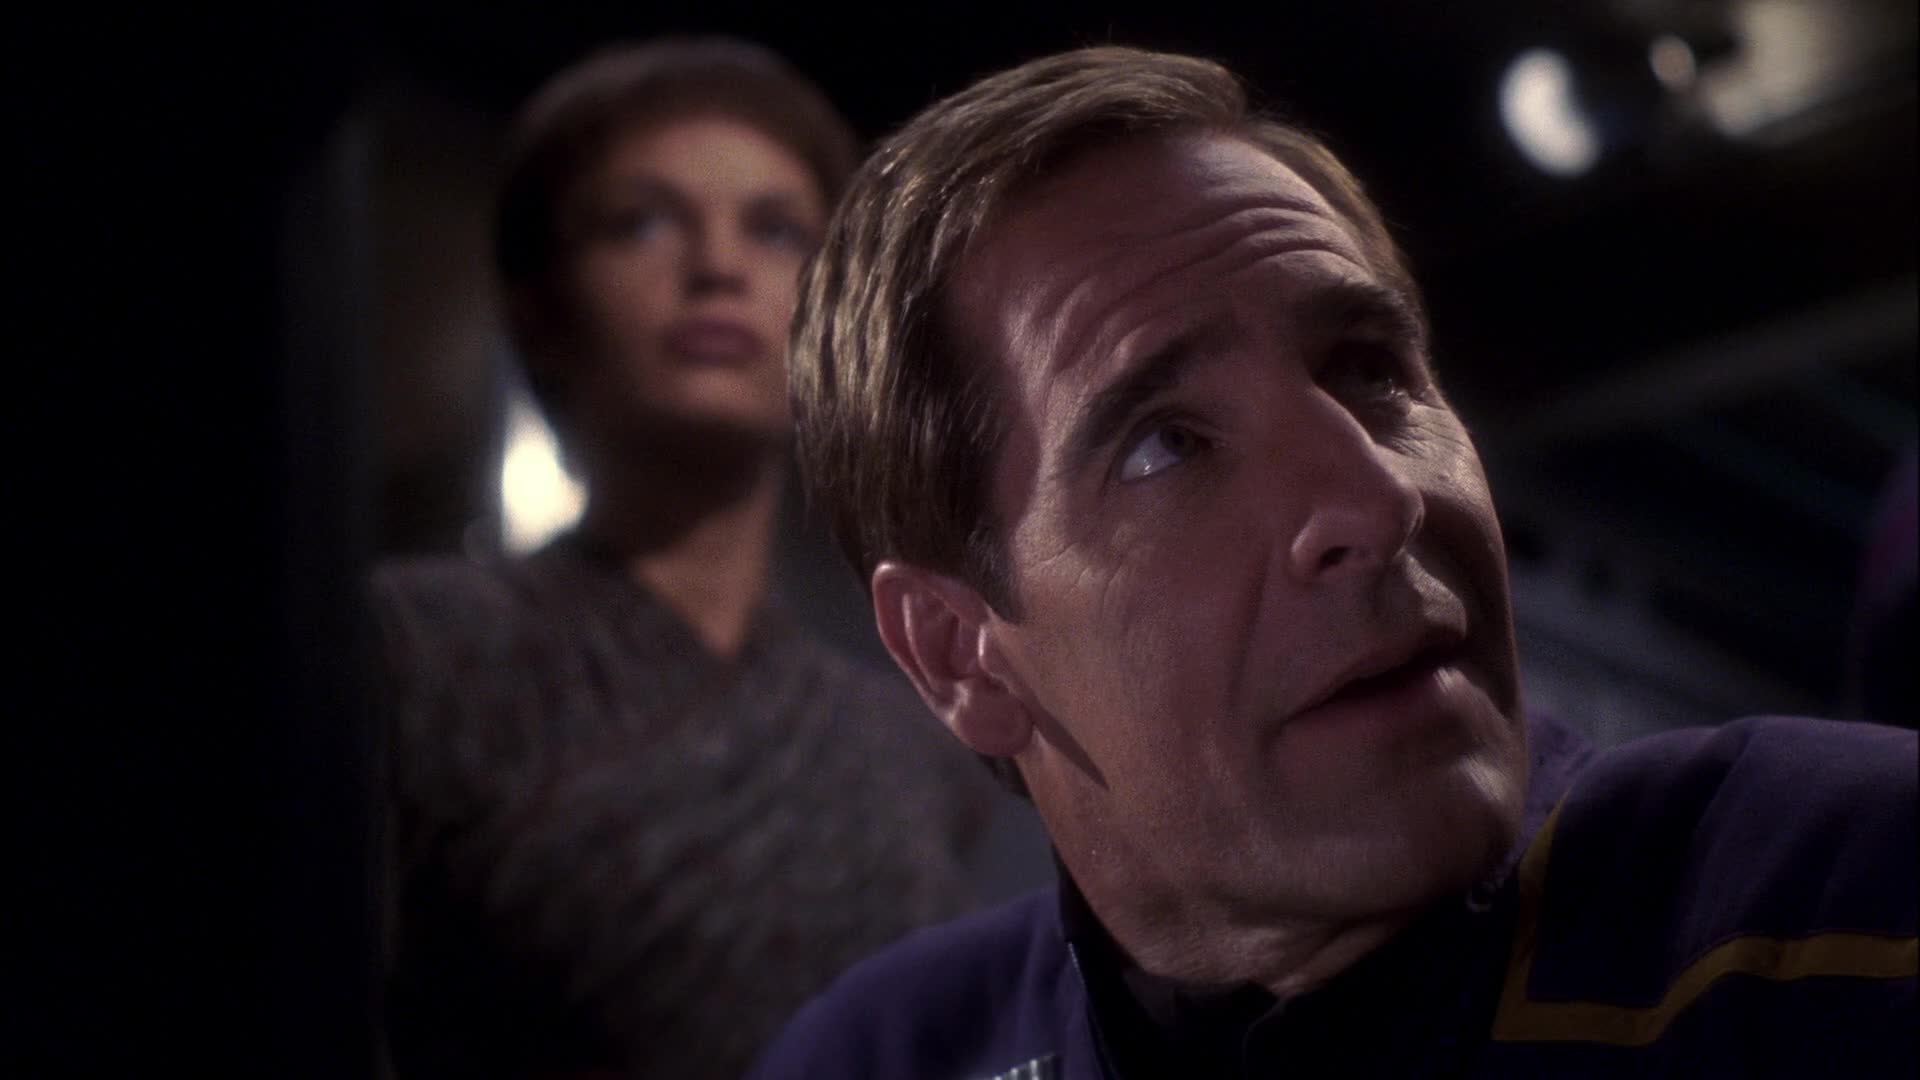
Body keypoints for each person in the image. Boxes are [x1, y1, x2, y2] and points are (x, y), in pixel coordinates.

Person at [747, 46, 1918, 1079]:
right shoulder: (874, 1058)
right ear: (960, 656)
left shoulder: (1854, 904)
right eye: (1166, 445)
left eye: (1368, 368)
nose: (1377, 498)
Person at [373, 37, 1027, 1079]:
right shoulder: (422, 651)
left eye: (775, 230)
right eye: (641, 222)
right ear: (542, 308)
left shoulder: (912, 747)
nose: (718, 267)